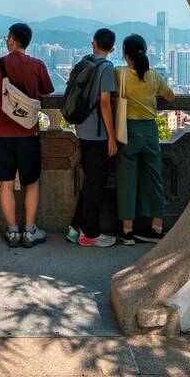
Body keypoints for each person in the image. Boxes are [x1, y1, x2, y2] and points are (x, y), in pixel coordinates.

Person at [0, 22, 54, 247]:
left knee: (6, 183)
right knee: (32, 183)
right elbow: (47, 91)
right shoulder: (37, 65)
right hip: (28, 133)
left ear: (11, 39)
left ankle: (13, 231)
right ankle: (30, 231)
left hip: (2, 134)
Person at [116, 33, 173, 245]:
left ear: (125, 53)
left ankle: (128, 231)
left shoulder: (119, 74)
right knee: (154, 179)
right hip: (150, 131)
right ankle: (157, 228)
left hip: (127, 130)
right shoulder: (154, 76)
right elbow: (170, 97)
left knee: (126, 181)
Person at [65, 28, 120, 248]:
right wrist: (112, 136)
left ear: (93, 43)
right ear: (113, 48)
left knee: (90, 182)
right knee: (95, 185)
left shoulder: (85, 62)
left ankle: (74, 228)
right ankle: (90, 233)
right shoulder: (106, 68)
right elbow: (105, 102)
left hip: (82, 129)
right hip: (98, 133)